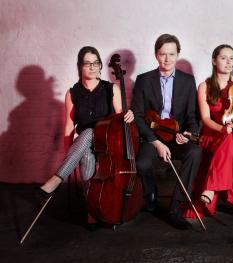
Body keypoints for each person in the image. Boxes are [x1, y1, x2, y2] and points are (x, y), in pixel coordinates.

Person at [39, 46, 134, 226]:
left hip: (108, 143)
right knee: (85, 152)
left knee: (91, 131)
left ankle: (56, 179)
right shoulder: (72, 93)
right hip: (85, 145)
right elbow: (69, 126)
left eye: (95, 63)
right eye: (87, 63)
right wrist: (70, 156)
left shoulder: (110, 88)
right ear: (79, 67)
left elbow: (122, 114)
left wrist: (129, 115)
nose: (92, 67)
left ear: (100, 66)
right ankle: (93, 209)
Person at [184, 44, 233, 219]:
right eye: (223, 58)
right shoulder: (204, 86)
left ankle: (211, 188)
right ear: (214, 60)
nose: (229, 62)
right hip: (212, 135)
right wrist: (223, 128)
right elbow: (205, 118)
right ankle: (216, 189)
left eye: (231, 58)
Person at [132, 34, 201, 230]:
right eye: (163, 54)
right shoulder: (144, 80)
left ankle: (175, 207)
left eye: (172, 54)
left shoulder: (188, 81)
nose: (167, 59)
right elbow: (137, 116)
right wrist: (155, 142)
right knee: (143, 163)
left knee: (195, 153)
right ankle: (151, 193)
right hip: (153, 137)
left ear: (178, 54)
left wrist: (188, 133)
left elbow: (192, 115)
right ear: (156, 55)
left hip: (176, 136)